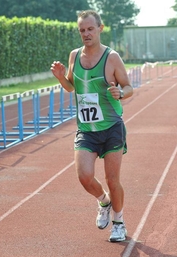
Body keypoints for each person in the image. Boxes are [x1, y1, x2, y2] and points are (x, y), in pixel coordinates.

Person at [50, 10, 133, 242]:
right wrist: (59, 76)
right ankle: (104, 202)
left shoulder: (112, 57)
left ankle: (119, 222)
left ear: (100, 28)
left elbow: (129, 87)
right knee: (84, 176)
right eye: (82, 30)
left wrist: (120, 93)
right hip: (86, 129)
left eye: (90, 29)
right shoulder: (74, 56)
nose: (86, 34)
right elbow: (70, 86)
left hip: (111, 127)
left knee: (112, 179)